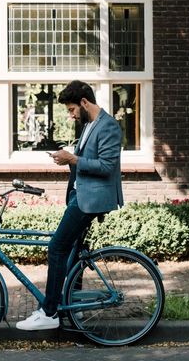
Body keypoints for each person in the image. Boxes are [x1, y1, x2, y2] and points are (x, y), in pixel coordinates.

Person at [16, 80, 124, 330]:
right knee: (73, 253)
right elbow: (86, 159)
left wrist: (72, 158)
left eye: (72, 109)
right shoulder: (88, 124)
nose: (71, 114)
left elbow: (107, 167)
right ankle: (75, 311)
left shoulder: (108, 126)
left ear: (84, 102)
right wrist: (67, 157)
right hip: (80, 196)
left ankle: (49, 313)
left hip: (91, 200)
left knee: (56, 248)